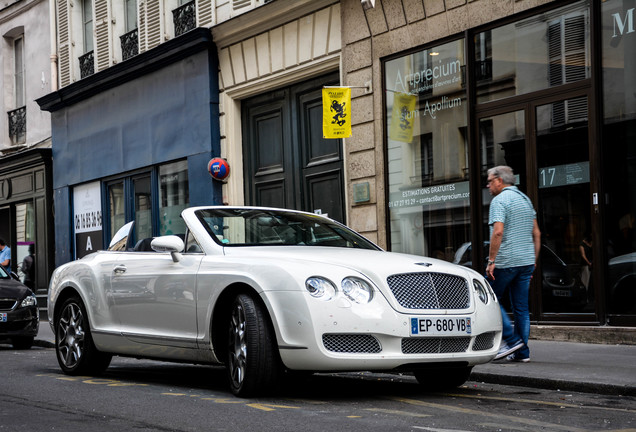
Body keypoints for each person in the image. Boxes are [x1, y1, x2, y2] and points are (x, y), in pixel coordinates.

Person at [485, 166, 541, 363]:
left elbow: (498, 232)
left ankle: (511, 339)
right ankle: (522, 353)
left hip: (506, 261)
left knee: (489, 298)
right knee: (521, 308)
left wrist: (491, 261)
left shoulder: (499, 200)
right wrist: (532, 262)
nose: (488, 184)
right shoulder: (525, 200)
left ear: (499, 181)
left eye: (490, 180)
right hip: (526, 262)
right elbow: (537, 233)